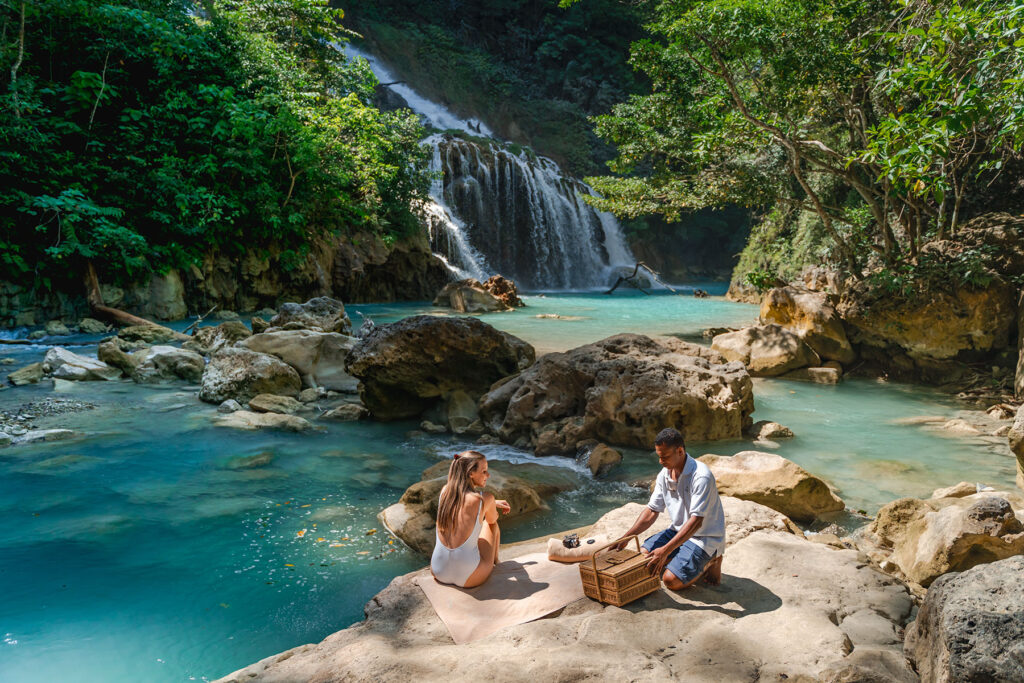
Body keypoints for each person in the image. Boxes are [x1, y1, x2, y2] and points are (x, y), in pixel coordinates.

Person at [615, 427, 725, 590]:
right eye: (659, 456)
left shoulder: (701, 476)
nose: (660, 461)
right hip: (678, 532)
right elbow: (652, 510)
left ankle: (713, 558)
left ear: (680, 451)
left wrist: (665, 550)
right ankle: (680, 557)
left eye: (664, 457)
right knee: (644, 559)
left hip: (703, 537)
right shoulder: (664, 474)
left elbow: (696, 522)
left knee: (670, 581)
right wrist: (626, 537)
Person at [431, 450, 511, 588]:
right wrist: (491, 503)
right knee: (490, 525)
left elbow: (463, 502)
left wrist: (492, 502)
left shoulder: (445, 492)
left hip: (438, 571)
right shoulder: (485, 498)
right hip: (469, 577)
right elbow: (492, 520)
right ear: (470, 473)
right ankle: (495, 562)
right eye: (484, 471)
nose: (488, 475)